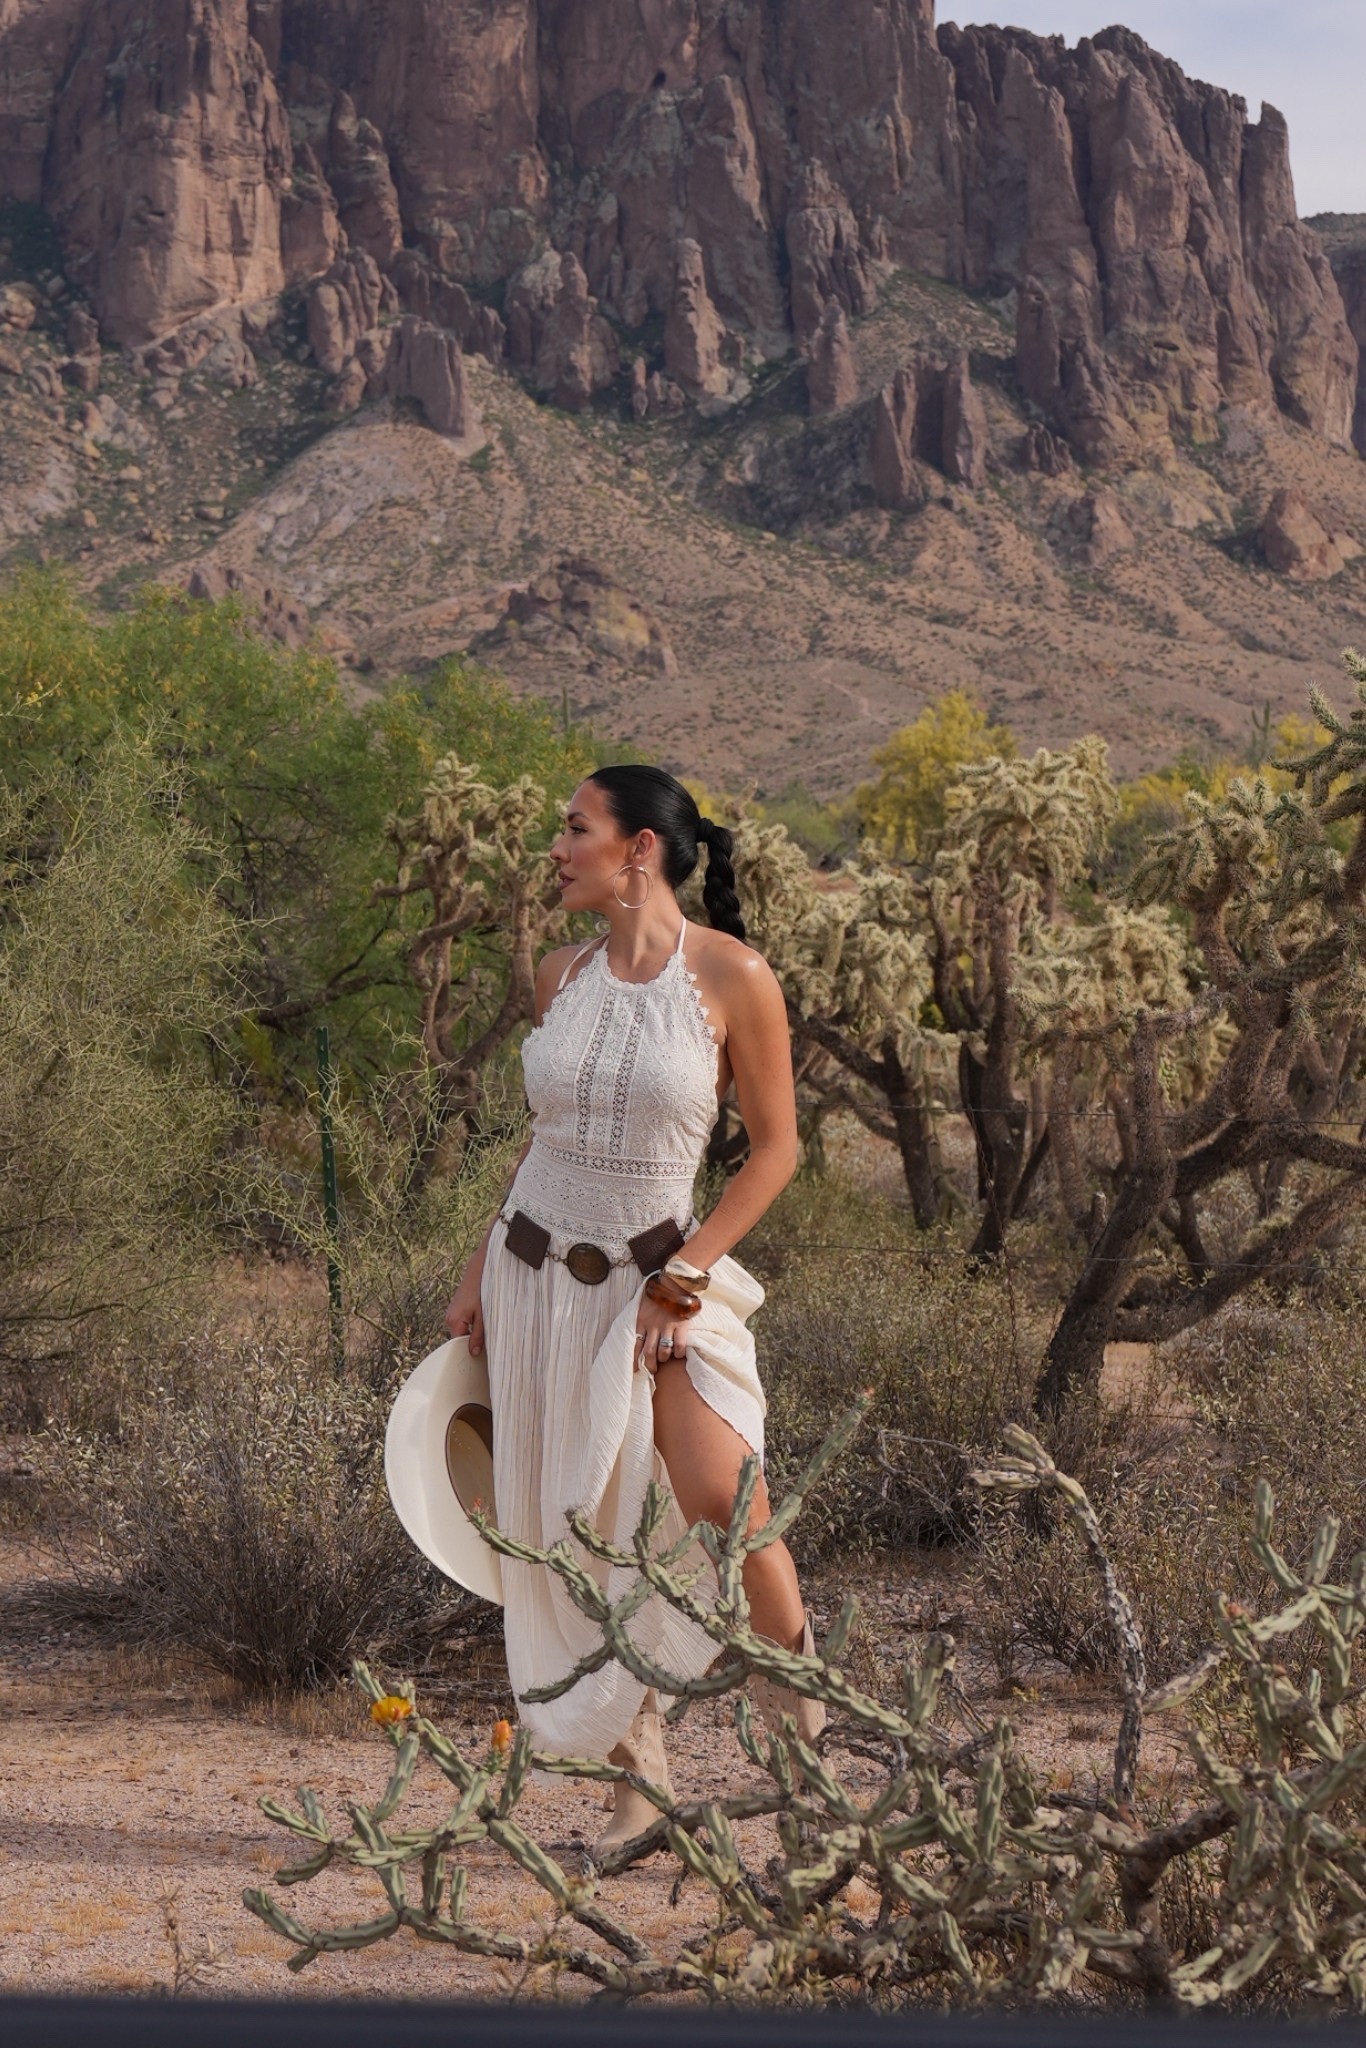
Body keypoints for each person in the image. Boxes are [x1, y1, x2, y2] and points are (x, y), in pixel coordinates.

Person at [442, 763, 823, 1855]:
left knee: (726, 1498)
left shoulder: (733, 975)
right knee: (577, 1524)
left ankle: (809, 1766)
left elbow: (778, 1148)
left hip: (660, 1285)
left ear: (638, 848)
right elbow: (543, 1137)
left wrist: (689, 1271)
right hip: (532, 1281)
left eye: (574, 829)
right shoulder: (561, 974)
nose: (555, 849)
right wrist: (478, 1263)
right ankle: (636, 1784)